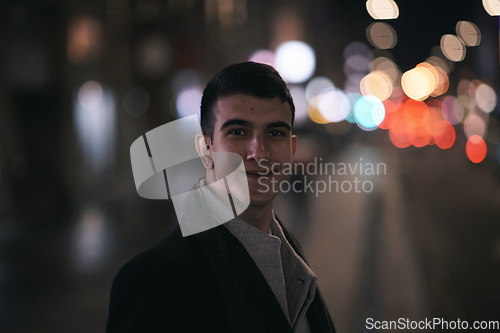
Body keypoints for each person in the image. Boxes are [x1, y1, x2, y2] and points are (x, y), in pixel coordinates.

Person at [106, 62, 336, 333]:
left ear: (292, 148)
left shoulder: (289, 250)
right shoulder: (152, 279)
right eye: (238, 132)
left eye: (275, 133)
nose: (259, 153)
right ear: (205, 149)